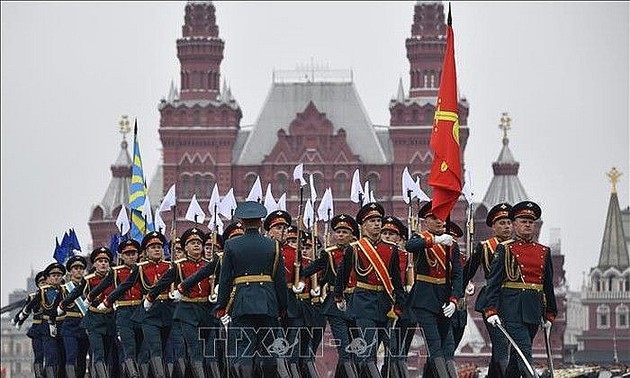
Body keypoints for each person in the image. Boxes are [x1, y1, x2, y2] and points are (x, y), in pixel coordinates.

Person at [214, 201, 289, 378]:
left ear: (243, 222)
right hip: (268, 302)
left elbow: (225, 280)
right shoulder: (273, 245)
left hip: (242, 302)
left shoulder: (231, 245)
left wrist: (221, 306)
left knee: (244, 349)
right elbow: (280, 280)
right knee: (269, 350)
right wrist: (283, 306)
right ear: (261, 222)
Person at [484, 201, 557, 378]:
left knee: (517, 359)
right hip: (512, 310)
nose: (527, 225)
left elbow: (548, 285)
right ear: (515, 224)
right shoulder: (505, 249)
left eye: (530, 222)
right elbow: (493, 283)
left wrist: (550, 313)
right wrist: (490, 310)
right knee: (525, 353)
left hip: (534, 310)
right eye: (523, 221)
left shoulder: (543, 251)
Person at [335, 202, 405, 378]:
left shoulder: (390, 249)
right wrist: (338, 296)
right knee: (368, 348)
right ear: (363, 225)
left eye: (378, 220)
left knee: (391, 348)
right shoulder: (355, 249)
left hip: (385, 304)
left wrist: (399, 304)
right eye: (372, 221)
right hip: (363, 303)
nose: (377, 224)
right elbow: (342, 275)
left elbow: (396, 280)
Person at [404, 201, 462, 378]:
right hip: (424, 299)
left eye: (441, 218)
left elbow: (457, 276)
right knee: (435, 344)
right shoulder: (420, 239)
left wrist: (454, 299)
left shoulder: (452, 245)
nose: (439, 221)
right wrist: (435, 240)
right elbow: (410, 246)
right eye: (434, 218)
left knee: (448, 346)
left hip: (444, 300)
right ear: (426, 221)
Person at [300, 214, 360, 378]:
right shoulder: (329, 254)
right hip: (335, 304)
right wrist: (298, 273)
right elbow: (312, 269)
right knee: (344, 348)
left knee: (357, 349)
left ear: (353, 235)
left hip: (357, 302)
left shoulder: (360, 251)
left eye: (344, 232)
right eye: (338, 232)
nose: (340, 235)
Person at [149, 227, 213, 378]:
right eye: (192, 243)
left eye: (199, 242)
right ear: (185, 247)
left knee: (208, 351)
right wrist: (150, 297)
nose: (197, 245)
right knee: (194, 348)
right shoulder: (179, 266)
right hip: (187, 311)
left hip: (206, 310)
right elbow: (162, 283)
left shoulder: (209, 264)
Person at [107, 231, 173, 378]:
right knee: (131, 348)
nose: (157, 249)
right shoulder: (132, 270)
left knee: (154, 351)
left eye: (159, 246)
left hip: (160, 310)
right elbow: (124, 286)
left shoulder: (170, 266)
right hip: (131, 314)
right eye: (153, 247)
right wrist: (108, 301)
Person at [463, 203, 512, 377]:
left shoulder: (518, 246)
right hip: (492, 302)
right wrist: (458, 295)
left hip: (514, 302)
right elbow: (466, 273)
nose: (506, 226)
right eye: (502, 223)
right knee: (500, 344)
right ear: (493, 227)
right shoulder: (484, 247)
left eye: (508, 222)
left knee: (505, 347)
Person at [90, 239, 145, 378]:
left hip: (140, 312)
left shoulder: (142, 269)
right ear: (121, 256)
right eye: (128, 254)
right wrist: (90, 299)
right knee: (127, 349)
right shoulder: (115, 272)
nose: (131, 256)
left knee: (142, 350)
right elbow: (102, 287)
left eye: (133, 253)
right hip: (122, 313)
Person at [60, 247, 118, 378]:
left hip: (109, 319)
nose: (103, 263)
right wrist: (61, 307)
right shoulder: (88, 280)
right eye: (100, 261)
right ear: (95, 264)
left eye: (106, 261)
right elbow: (75, 293)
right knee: (90, 354)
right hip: (90, 321)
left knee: (103, 355)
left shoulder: (115, 278)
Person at [59, 255, 90, 378]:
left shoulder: (89, 287)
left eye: (81, 268)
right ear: (70, 271)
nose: (79, 270)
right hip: (70, 325)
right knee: (71, 356)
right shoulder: (64, 289)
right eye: (76, 268)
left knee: (82, 358)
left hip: (85, 325)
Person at [13, 270, 48, 378]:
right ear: (38, 284)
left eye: (45, 282)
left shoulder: (53, 294)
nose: (44, 284)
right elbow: (25, 310)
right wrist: (18, 320)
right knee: (39, 355)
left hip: (49, 328)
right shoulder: (33, 296)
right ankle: (39, 375)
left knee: (51, 355)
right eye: (41, 283)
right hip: (37, 329)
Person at [39, 262, 67, 378]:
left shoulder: (66, 290)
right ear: (48, 278)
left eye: (59, 275)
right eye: (53, 275)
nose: (56, 277)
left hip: (63, 325)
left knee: (63, 357)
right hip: (47, 327)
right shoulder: (42, 292)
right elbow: (30, 307)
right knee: (51, 356)